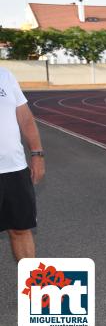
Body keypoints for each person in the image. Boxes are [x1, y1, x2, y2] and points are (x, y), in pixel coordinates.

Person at [0, 67, 45, 262]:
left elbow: (25, 118)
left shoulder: (5, 76)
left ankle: (32, 288)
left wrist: (37, 153)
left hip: (14, 170)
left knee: (20, 230)